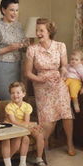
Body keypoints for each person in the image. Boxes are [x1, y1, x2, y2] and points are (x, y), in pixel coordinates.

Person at [25, 18, 76, 158]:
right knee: (48, 117)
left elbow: (64, 66)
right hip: (41, 84)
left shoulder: (60, 46)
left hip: (58, 83)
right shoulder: (32, 49)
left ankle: (70, 143)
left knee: (66, 113)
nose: (38, 33)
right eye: (37, 30)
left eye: (41, 30)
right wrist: (39, 79)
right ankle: (44, 141)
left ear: (49, 31)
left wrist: (63, 72)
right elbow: (28, 73)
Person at [0, 0, 27, 100]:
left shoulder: (19, 26)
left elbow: (22, 46)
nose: (15, 13)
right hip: (2, 68)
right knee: (4, 98)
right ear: (4, 10)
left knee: (17, 98)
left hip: (18, 66)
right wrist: (9, 48)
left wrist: (25, 46)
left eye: (17, 10)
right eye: (12, 10)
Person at [5, 81, 49, 166]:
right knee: (26, 139)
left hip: (24, 126)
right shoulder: (9, 106)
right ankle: (22, 164)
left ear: (23, 94)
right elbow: (13, 122)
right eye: (12, 93)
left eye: (18, 92)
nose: (15, 95)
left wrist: (33, 125)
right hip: (14, 127)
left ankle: (39, 159)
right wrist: (32, 124)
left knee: (40, 135)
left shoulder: (27, 106)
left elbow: (26, 121)